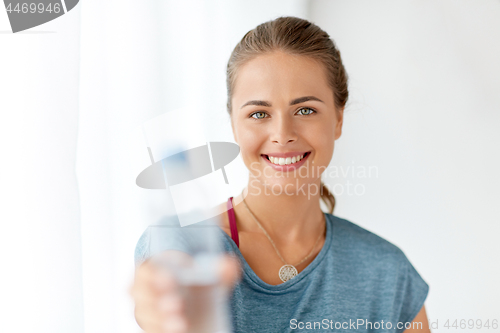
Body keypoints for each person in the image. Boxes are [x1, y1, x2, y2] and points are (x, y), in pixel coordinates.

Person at [130, 16, 430, 333]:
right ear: (233, 124)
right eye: (259, 113)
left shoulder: (386, 272)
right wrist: (165, 310)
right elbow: (161, 299)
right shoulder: (183, 245)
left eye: (305, 110)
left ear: (338, 119)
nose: (282, 134)